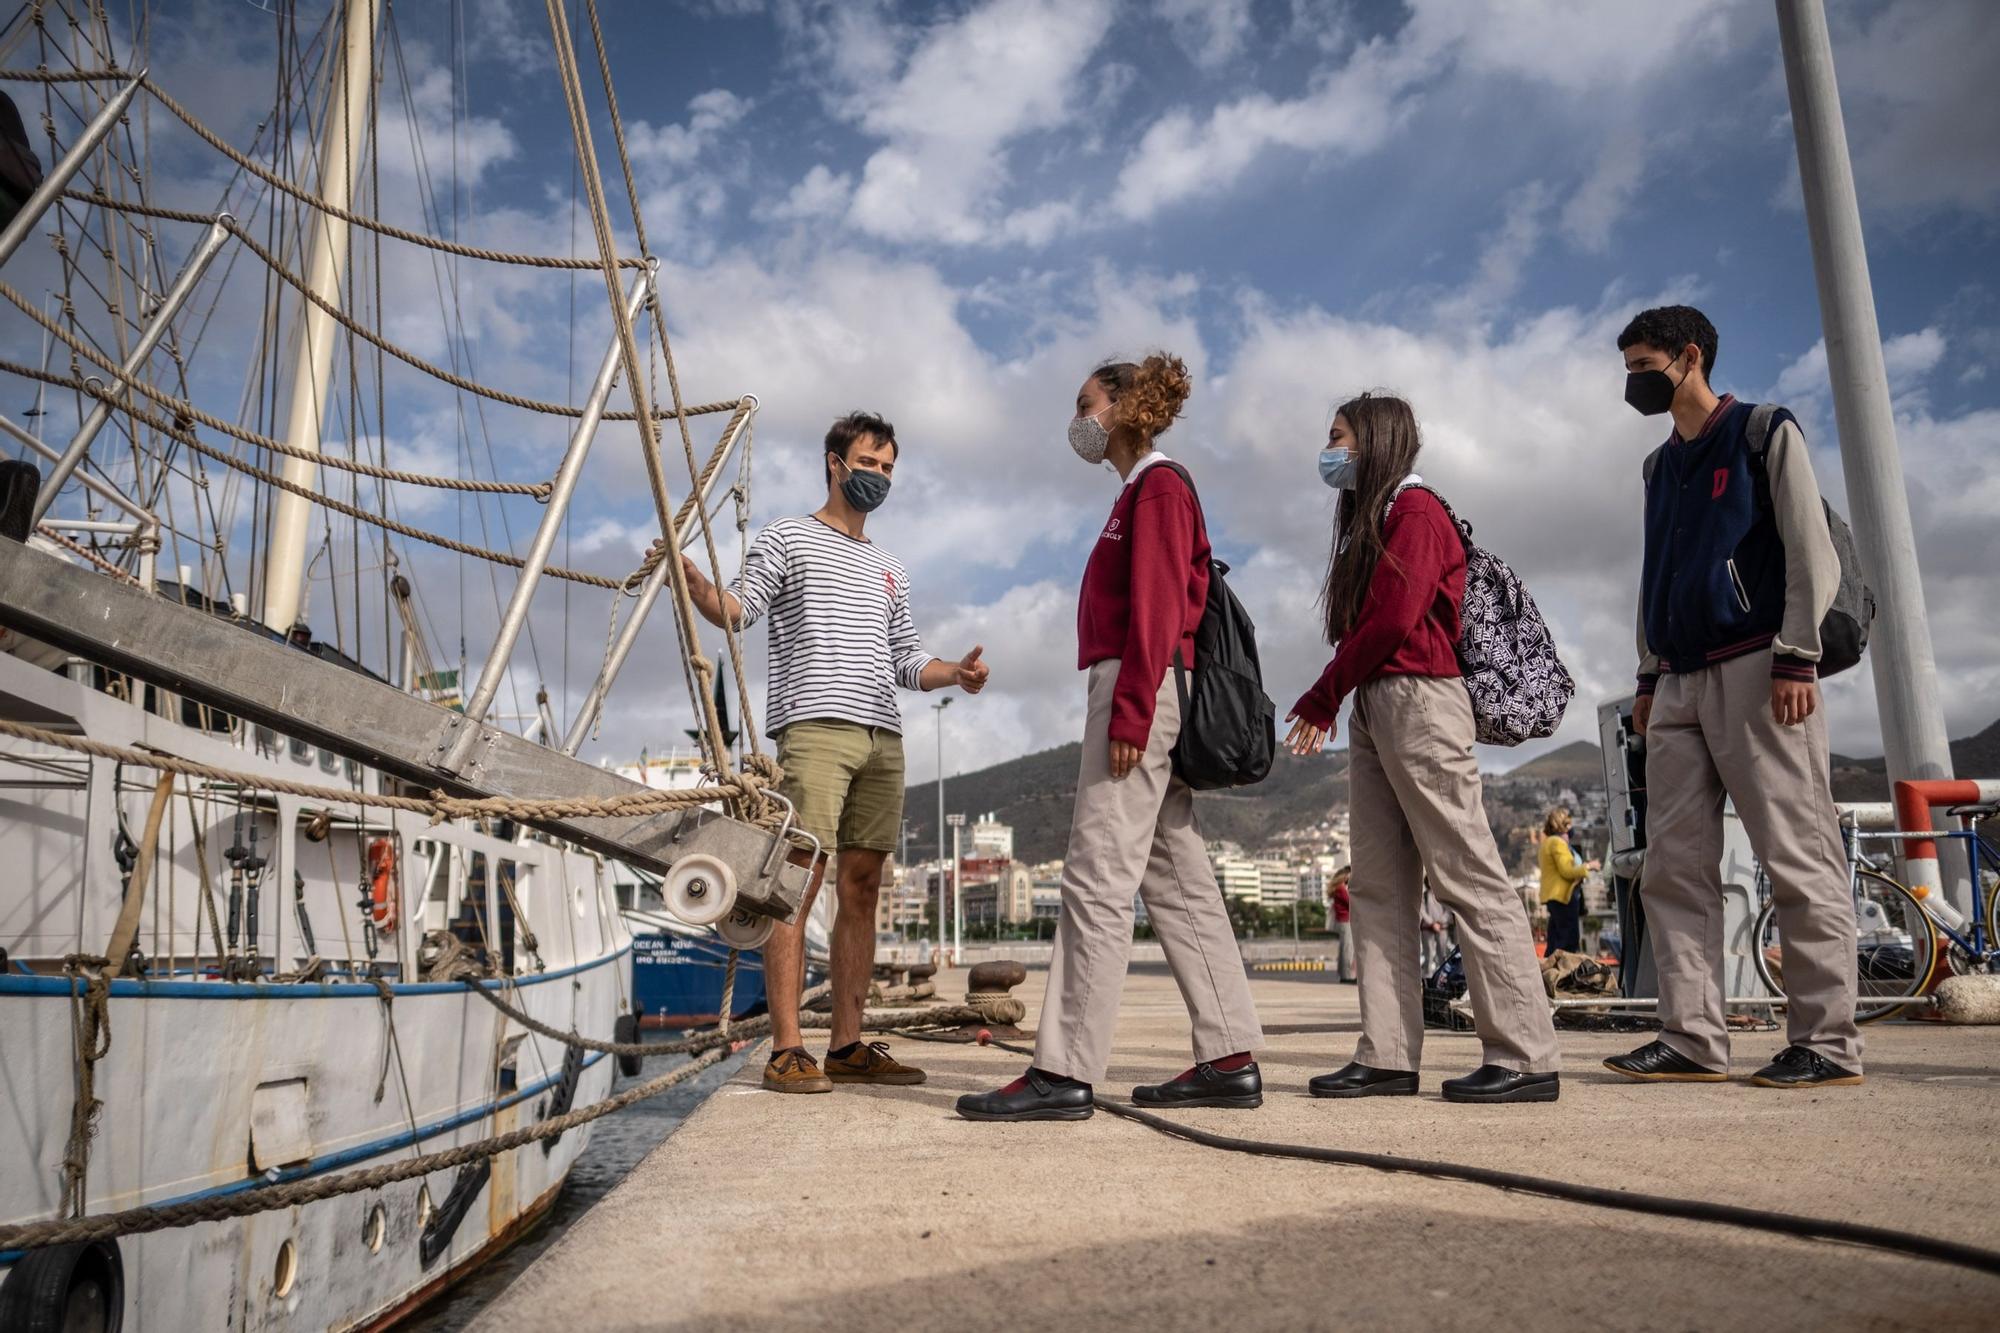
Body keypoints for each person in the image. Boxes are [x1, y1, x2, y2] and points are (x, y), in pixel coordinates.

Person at [956, 355, 1265, 1122]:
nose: (1078, 420)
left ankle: (1063, 1069)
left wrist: (1130, 711)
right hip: (1150, 685)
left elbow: (1157, 605)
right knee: (1178, 880)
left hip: (1140, 684)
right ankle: (1230, 1055)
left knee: (1097, 875)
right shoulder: (1140, 491)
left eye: (1085, 403)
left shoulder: (1157, 486)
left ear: (1126, 407)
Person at [682, 410, 990, 1094]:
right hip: (815, 726)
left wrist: (956, 674)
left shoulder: (890, 567)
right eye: (869, 463)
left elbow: (907, 659)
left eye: (888, 467)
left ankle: (847, 1044)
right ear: (835, 463)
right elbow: (740, 609)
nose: (879, 476)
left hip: (883, 735)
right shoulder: (787, 537)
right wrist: (699, 589)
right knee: (796, 881)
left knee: (863, 886)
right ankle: (788, 1048)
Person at [1610, 305, 1862, 1089]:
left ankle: (1827, 1041)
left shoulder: (1762, 430)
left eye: (1643, 366)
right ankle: (1691, 1037)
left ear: (1690, 357)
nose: (1632, 382)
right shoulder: (1657, 468)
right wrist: (1648, 674)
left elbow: (1809, 549)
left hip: (1761, 666)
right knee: (1673, 868)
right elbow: (1653, 572)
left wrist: (1797, 654)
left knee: (1797, 853)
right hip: (1677, 679)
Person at [1288, 393, 1560, 1105]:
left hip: (1420, 699)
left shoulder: (1416, 511)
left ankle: (1525, 1053)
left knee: (1467, 874)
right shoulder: (1377, 519)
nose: (1330, 451)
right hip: (1378, 701)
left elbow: (1394, 618)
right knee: (1378, 886)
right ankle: (1386, 1053)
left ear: (1375, 439)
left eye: (1339, 437)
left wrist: (1323, 692)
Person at [1537, 808, 1597, 956]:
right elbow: (1567, 871)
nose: (1571, 828)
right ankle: (1562, 969)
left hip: (1554, 897)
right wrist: (1589, 866)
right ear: (1561, 825)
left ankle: (1550, 969)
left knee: (1555, 941)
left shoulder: (1548, 843)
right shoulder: (1557, 843)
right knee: (1568, 941)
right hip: (1563, 897)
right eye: (1568, 824)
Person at [1328, 866, 1356, 983]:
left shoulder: (1339, 888)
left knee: (1345, 949)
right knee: (1348, 949)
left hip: (1343, 921)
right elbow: (1350, 902)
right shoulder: (1341, 889)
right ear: (1344, 875)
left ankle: (1344, 975)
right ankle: (1348, 976)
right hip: (1346, 921)